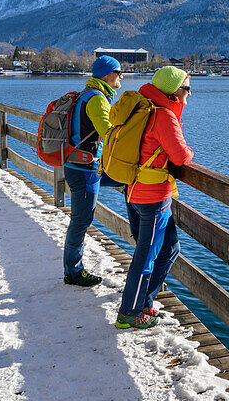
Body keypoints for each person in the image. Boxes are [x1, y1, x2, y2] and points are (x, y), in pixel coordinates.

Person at [115, 66, 193, 328]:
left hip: (135, 192)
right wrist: (190, 152)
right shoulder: (163, 117)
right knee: (146, 256)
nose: (189, 95)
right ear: (173, 91)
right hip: (153, 198)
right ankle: (129, 314)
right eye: (186, 89)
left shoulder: (143, 107)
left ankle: (145, 301)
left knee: (170, 248)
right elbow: (181, 157)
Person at [63, 55, 123, 286]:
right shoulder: (97, 99)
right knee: (81, 220)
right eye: (119, 72)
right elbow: (108, 134)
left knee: (127, 181)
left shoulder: (87, 94)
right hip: (85, 168)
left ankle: (138, 234)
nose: (121, 77)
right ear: (108, 74)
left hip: (83, 166)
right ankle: (73, 272)